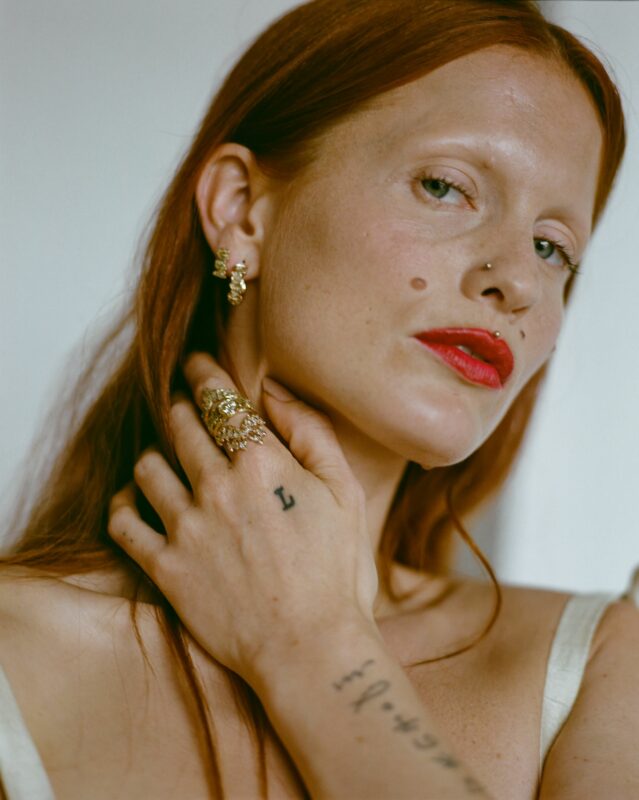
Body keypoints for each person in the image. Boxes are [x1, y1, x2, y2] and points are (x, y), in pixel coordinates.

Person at [0, 0, 637, 797]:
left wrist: (314, 644)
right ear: (240, 210)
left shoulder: (601, 666)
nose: (513, 279)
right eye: (445, 187)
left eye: (552, 248)